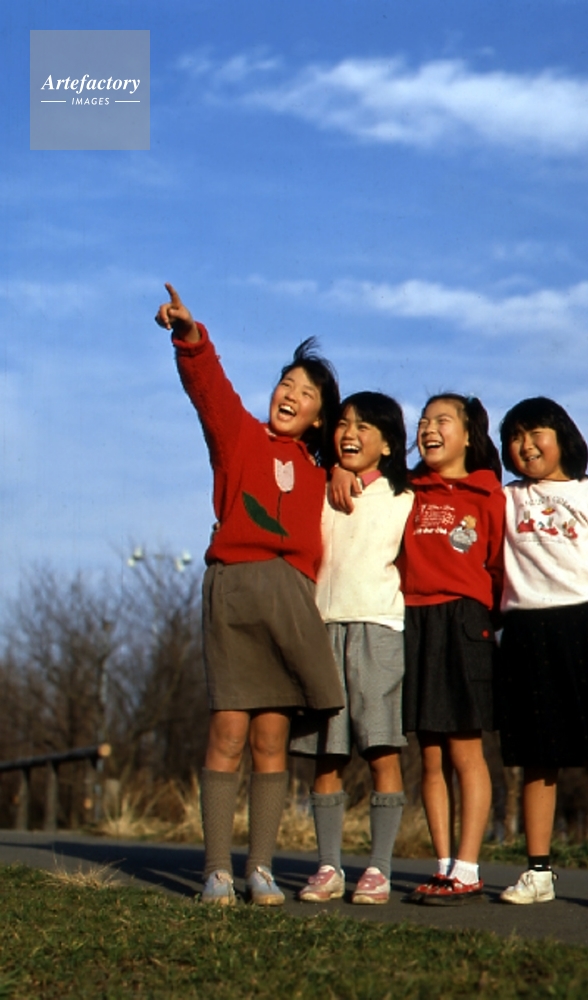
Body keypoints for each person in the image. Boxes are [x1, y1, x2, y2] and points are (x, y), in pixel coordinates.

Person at [155, 283, 344, 907]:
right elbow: (209, 390)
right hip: (236, 590)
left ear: (320, 417)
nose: (291, 394)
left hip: (291, 600)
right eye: (286, 384)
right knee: (228, 731)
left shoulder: (323, 471)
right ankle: (216, 871)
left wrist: (349, 470)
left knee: (271, 740)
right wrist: (191, 338)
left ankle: (260, 868)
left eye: (306, 393)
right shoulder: (240, 437)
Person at [495, 396, 588, 910]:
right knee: (538, 758)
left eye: (535, 432)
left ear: (563, 436)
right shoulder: (506, 498)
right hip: (524, 630)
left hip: (586, 630)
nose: (525, 445)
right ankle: (538, 872)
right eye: (514, 437)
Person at [289, 392, 414, 905]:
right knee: (326, 754)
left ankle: (379, 869)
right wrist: (334, 471)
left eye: (364, 427)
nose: (350, 434)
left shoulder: (405, 496)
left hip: (378, 628)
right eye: (343, 424)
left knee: (381, 748)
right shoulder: (320, 486)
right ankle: (328, 867)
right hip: (321, 628)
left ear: (387, 444)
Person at [401, 394, 505, 905]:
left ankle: (467, 867)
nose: (429, 428)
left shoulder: (489, 495)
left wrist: (486, 616)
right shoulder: (406, 491)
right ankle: (443, 867)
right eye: (423, 421)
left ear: (467, 436)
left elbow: (500, 567)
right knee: (429, 755)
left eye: (442, 420)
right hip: (413, 619)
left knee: (465, 751)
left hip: (464, 620)